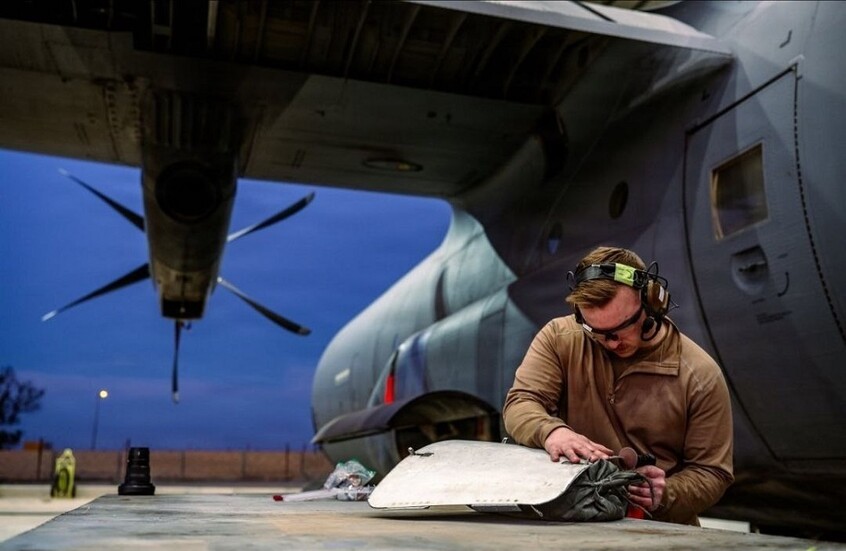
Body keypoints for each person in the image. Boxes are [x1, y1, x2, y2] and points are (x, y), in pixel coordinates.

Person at [502, 246, 733, 526]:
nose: (611, 343)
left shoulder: (699, 375)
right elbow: (521, 402)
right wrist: (551, 432)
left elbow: (712, 472)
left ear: (651, 303)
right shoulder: (559, 338)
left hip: (659, 531)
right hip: (568, 524)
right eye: (596, 332)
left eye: (621, 329)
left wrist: (666, 493)